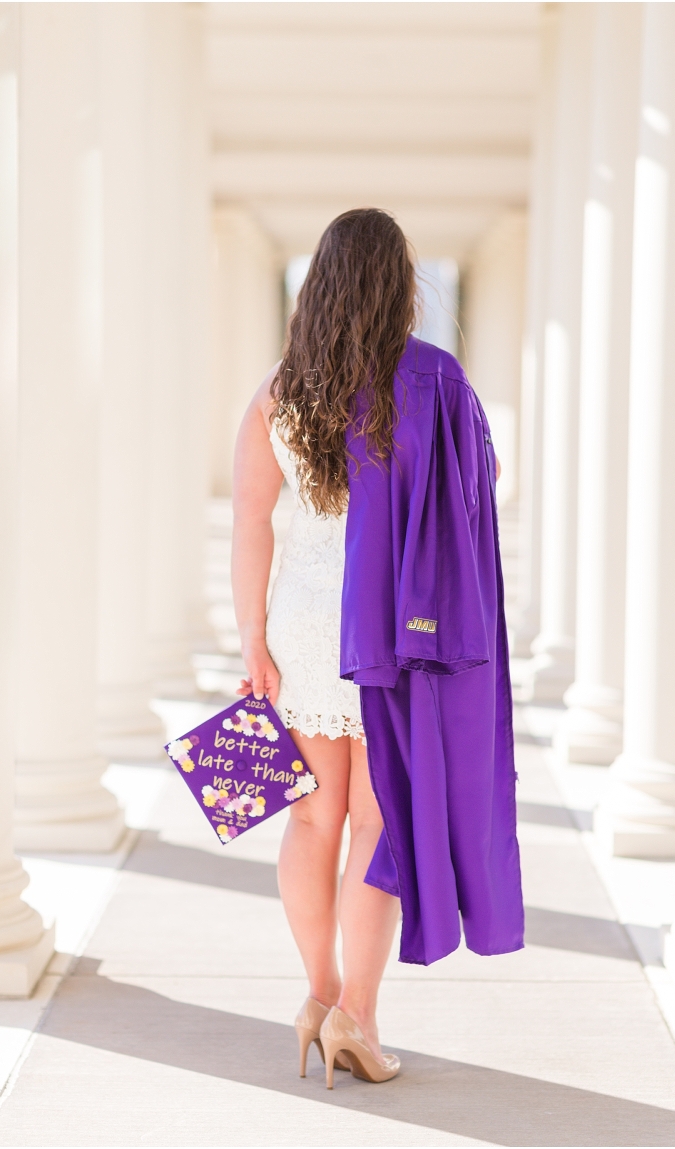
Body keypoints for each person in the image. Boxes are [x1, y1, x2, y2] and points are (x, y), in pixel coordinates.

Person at [231, 208, 521, 1091]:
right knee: (375, 820)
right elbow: (480, 487)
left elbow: (251, 526)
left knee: (309, 817)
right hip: (389, 630)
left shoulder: (282, 390)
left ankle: (318, 996)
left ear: (317, 285)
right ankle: (360, 1013)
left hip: (303, 628)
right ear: (400, 287)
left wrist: (252, 641)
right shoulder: (429, 382)